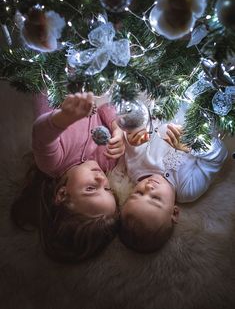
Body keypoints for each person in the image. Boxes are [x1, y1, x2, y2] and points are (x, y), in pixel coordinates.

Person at [11, 91, 125, 262]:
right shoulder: (107, 162)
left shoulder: (53, 163)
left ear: (62, 194)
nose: (102, 179)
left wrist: (65, 117)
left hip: (52, 80)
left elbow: (41, 134)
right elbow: (105, 107)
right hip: (89, 83)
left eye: (90, 189)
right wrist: (117, 129)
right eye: (107, 188)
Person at [119, 122, 228, 253]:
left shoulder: (135, 169)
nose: (149, 187)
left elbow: (138, 125)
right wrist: (193, 144)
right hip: (204, 117)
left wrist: (133, 134)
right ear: (174, 212)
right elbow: (218, 156)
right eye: (156, 198)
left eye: (138, 193)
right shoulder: (188, 190)